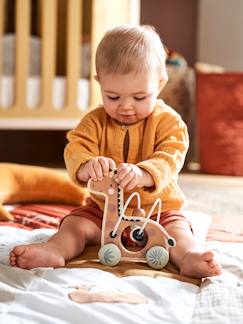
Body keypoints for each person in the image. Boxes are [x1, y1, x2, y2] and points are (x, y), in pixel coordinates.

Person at [9, 25, 222, 278]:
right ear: (99, 82)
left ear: (160, 83)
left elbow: (171, 155)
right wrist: (87, 165)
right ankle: (54, 250)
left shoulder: (170, 122)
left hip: (158, 210)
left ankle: (189, 257)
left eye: (140, 97)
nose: (126, 107)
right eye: (113, 97)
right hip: (102, 211)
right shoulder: (94, 121)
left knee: (177, 233)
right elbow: (76, 147)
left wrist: (145, 173)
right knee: (74, 225)